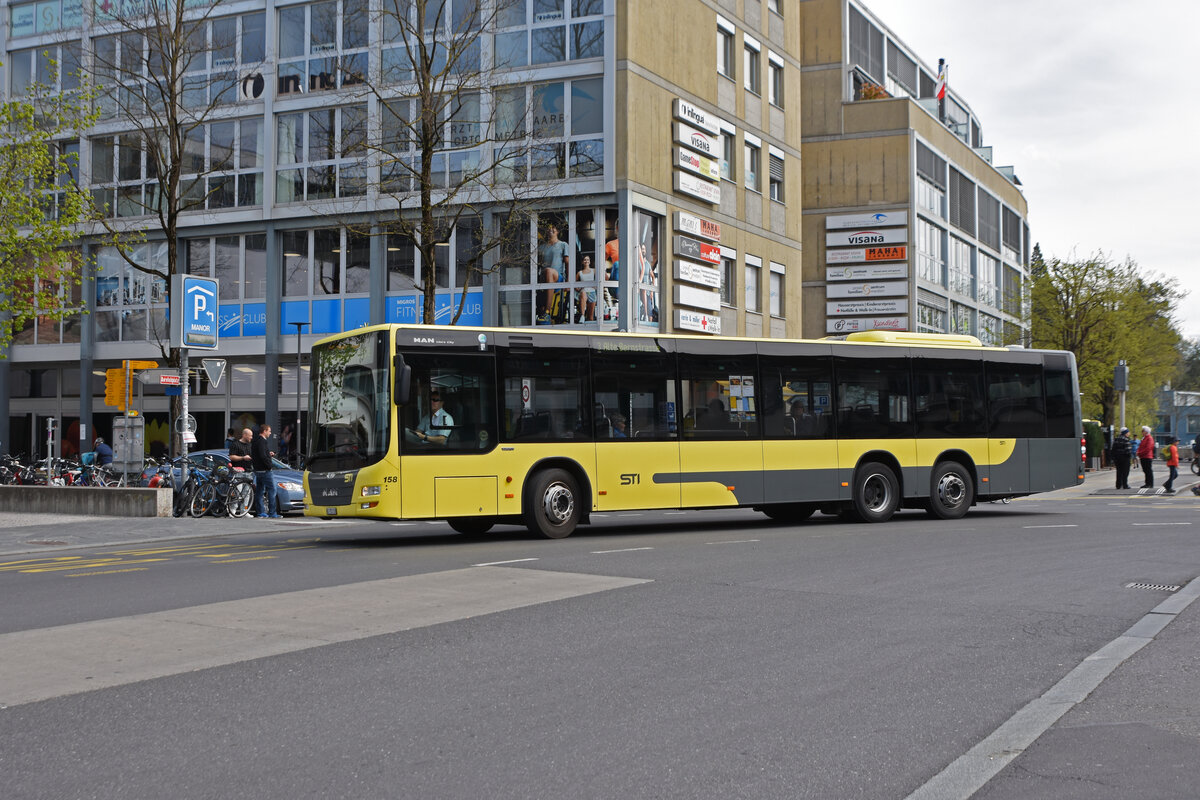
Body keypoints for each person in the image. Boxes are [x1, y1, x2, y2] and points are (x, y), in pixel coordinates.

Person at [537, 223, 569, 324]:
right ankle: (544, 316)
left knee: (549, 271)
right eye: (548, 228)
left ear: (557, 231)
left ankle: (548, 312)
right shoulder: (541, 247)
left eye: (553, 227)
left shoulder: (563, 245)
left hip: (557, 277)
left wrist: (568, 282)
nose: (550, 229)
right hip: (543, 279)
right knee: (546, 272)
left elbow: (568, 263)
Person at [252, 424, 280, 518]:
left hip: (257, 470)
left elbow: (260, 454)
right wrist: (269, 465)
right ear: (264, 431)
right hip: (265, 470)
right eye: (269, 431)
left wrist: (268, 454)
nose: (270, 433)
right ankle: (272, 513)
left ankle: (261, 512)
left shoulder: (255, 441)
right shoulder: (263, 442)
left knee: (259, 491)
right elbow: (262, 456)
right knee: (272, 490)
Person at [576, 254, 597, 322]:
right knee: (583, 293)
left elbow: (600, 279)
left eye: (587, 259)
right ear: (582, 262)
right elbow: (574, 284)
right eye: (585, 260)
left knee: (590, 317)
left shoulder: (594, 271)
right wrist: (579, 289)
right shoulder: (579, 273)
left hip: (592, 292)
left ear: (590, 262)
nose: (586, 261)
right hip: (583, 291)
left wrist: (596, 287)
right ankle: (582, 315)